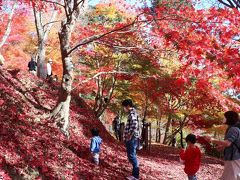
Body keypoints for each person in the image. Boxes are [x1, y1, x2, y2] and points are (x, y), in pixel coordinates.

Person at [205, 111, 240, 180]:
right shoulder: (234, 128)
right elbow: (232, 143)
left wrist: (212, 139)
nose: (223, 118)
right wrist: (222, 147)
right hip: (234, 157)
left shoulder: (233, 129)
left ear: (229, 118)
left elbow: (227, 143)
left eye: (224, 117)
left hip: (232, 158)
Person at [122, 99, 140, 180]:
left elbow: (134, 124)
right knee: (132, 155)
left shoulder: (132, 113)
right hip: (133, 137)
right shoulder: (133, 112)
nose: (124, 108)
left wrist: (129, 135)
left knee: (131, 156)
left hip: (132, 138)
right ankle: (134, 174)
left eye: (124, 107)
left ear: (128, 106)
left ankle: (135, 176)